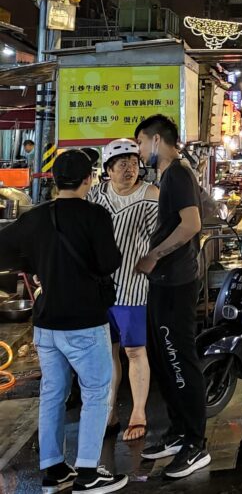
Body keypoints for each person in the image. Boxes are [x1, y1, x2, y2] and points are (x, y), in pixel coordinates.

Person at [0, 149, 128, 493]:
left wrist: (39, 267)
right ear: (89, 178)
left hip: (46, 323)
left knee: (53, 392)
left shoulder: (36, 217)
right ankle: (88, 471)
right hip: (84, 320)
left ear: (54, 180)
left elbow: (4, 248)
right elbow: (108, 263)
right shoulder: (95, 215)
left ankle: (54, 468)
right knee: (97, 391)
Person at [133, 115, 210, 478]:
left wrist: (155, 254)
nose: (138, 151)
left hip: (177, 279)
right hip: (164, 280)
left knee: (180, 358)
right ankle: (179, 432)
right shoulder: (167, 176)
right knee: (163, 357)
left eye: (139, 143)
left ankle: (196, 442)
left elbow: (191, 224)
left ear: (157, 139)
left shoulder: (178, 173)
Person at [87, 139, 159, 444]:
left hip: (134, 289)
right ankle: (109, 413)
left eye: (132, 162)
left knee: (134, 351)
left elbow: (162, 238)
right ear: (107, 170)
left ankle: (138, 413)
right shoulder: (95, 196)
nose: (129, 169)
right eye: (121, 164)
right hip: (100, 289)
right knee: (108, 352)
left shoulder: (150, 195)